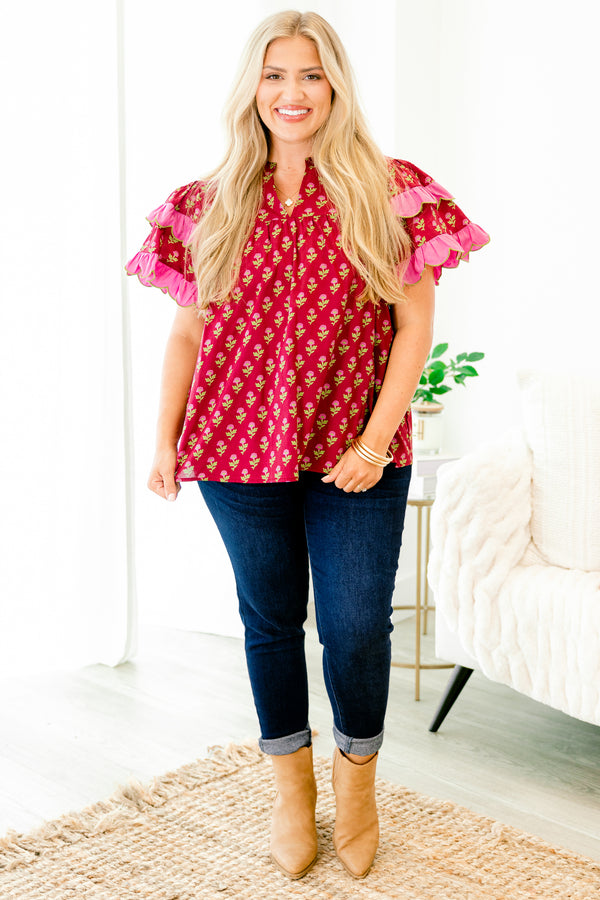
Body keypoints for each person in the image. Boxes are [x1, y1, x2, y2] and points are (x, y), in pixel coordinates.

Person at [126, 9, 489, 881]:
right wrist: (165, 440)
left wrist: (373, 443)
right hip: (234, 449)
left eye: (311, 75)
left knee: (356, 627)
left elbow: (414, 330)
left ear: (336, 86)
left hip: (356, 454)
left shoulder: (391, 191)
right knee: (270, 621)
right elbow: (188, 334)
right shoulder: (208, 203)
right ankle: (291, 791)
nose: (293, 93)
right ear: (252, 87)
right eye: (275, 75)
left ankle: (355, 787)